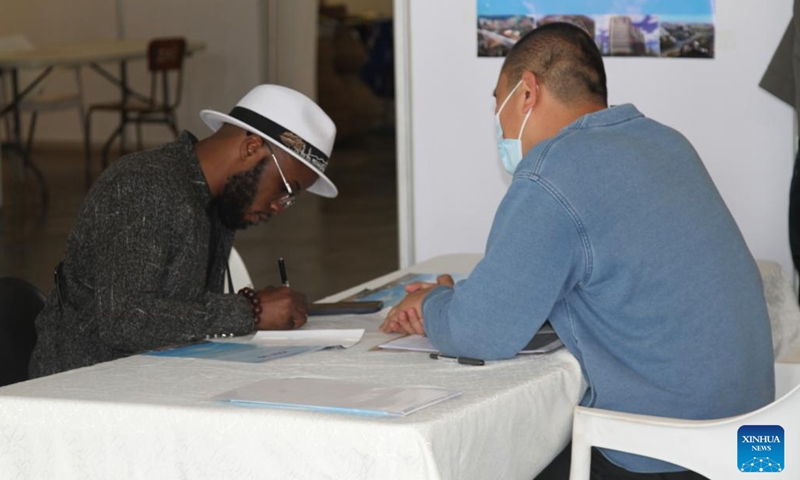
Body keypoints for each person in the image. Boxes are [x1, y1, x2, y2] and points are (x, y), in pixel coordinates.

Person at [380, 23, 775, 478]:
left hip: (667, 452)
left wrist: (429, 304)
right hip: (756, 444)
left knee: (494, 458)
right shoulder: (665, 141)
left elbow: (479, 332)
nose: (499, 123)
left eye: (498, 103)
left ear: (527, 92)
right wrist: (468, 297)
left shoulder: (552, 171)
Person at [29, 84, 338, 378]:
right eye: (286, 190)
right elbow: (126, 319)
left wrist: (248, 312)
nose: (279, 207)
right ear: (251, 147)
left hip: (151, 379)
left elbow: (180, 316)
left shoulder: (213, 203)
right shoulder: (145, 185)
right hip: (83, 390)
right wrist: (250, 312)